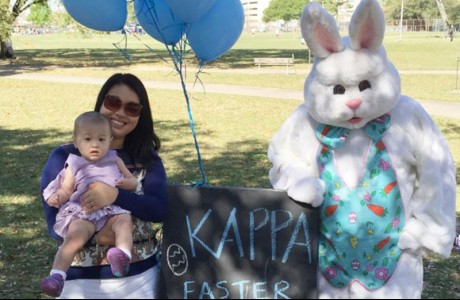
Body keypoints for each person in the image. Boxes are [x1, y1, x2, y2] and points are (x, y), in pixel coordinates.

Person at [41, 73, 167, 299]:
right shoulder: (66, 156)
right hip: (80, 283)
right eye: (113, 102)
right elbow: (54, 225)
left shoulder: (146, 157)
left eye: (132, 108)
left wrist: (115, 195)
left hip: (141, 280)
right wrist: (100, 235)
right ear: (100, 102)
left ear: (141, 115)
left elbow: (159, 210)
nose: (120, 113)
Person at [40, 111, 138, 297]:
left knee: (125, 221)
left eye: (101, 139)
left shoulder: (114, 159)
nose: (95, 144)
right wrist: (58, 196)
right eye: (87, 139)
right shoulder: (74, 162)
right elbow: (67, 189)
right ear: (76, 141)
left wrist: (127, 184)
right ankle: (57, 276)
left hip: (111, 210)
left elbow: (132, 181)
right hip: (84, 210)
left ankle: (123, 255)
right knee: (74, 237)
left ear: (109, 140)